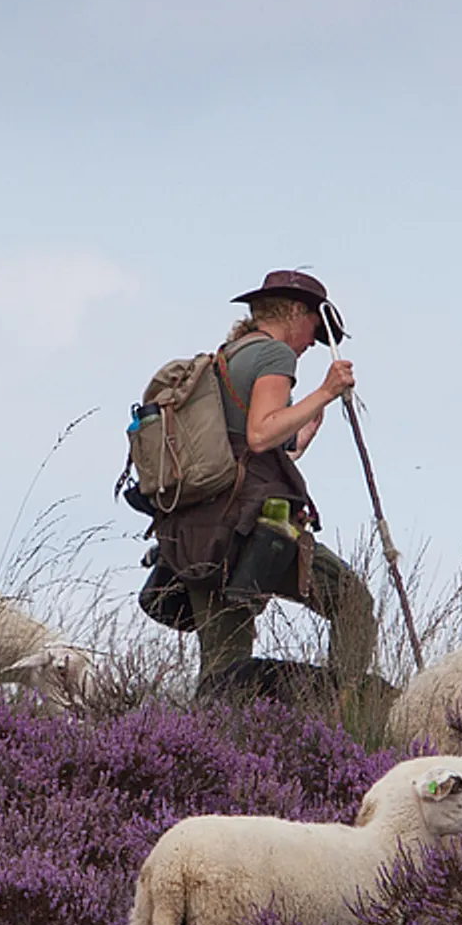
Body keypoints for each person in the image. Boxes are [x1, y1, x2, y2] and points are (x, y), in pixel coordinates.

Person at [145, 269, 382, 700]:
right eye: (316, 326)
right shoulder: (275, 356)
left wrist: (299, 436)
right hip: (249, 529)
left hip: (200, 534)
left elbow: (245, 447)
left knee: (222, 671)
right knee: (353, 604)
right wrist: (325, 392)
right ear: (296, 312)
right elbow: (260, 433)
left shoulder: (226, 357)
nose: (313, 340)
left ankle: (202, 757)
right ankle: (344, 714)